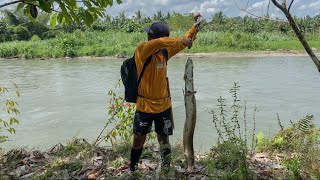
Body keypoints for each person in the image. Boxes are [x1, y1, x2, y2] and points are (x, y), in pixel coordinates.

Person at [130, 14, 202, 172]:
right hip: (144, 106)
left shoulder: (164, 53)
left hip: (163, 105)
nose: (147, 36)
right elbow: (161, 42)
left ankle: (166, 169)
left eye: (149, 34)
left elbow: (184, 41)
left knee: (164, 140)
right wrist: (180, 41)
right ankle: (133, 169)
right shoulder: (142, 50)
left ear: (151, 35)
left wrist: (195, 26)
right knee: (138, 140)